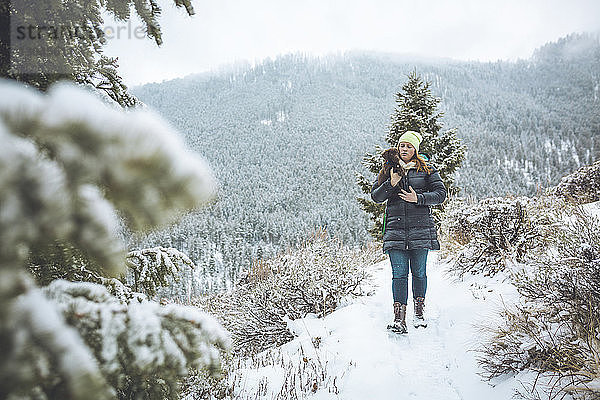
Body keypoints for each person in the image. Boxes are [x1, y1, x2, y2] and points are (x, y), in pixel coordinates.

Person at [371, 131, 447, 333]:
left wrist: (418, 199)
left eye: (409, 146)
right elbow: (376, 197)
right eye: (402, 145)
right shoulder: (388, 170)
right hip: (395, 230)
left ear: (415, 150)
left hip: (420, 229)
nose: (404, 149)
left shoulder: (427, 169)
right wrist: (391, 183)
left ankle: (419, 312)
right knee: (399, 274)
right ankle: (399, 319)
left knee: (419, 273)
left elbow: (441, 194)